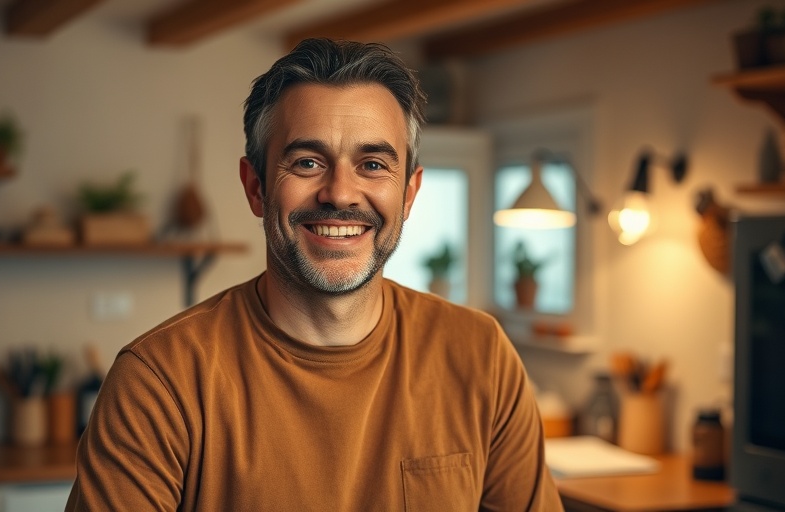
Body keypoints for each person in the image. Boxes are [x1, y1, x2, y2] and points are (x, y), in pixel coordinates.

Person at [66, 38, 563, 511]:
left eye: (372, 164)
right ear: (256, 187)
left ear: (409, 193)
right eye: (307, 162)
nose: (340, 193)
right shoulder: (158, 383)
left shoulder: (481, 357)